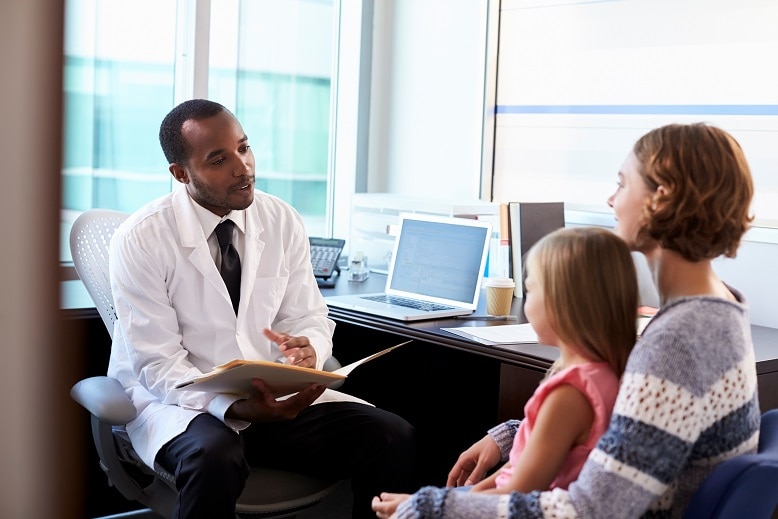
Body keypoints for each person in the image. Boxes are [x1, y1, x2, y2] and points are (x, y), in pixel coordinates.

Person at [372, 122, 760, 518]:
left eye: (623, 184)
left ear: (660, 198)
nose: (612, 199)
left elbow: (590, 509)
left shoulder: (680, 341)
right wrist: (511, 436)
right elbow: (624, 428)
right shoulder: (718, 309)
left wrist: (429, 507)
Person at [107, 98, 415, 519]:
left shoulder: (281, 219)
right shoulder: (141, 238)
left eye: (244, 148)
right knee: (213, 457)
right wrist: (232, 407)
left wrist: (309, 348)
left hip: (273, 399)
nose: (243, 167)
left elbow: (308, 314)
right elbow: (157, 364)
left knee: (391, 435)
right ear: (181, 174)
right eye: (219, 159)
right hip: (181, 405)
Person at [469, 226, 638, 496]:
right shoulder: (606, 373)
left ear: (564, 303)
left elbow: (519, 492)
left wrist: (439, 505)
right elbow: (519, 467)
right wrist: (470, 494)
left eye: (529, 290)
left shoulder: (569, 395)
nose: (525, 302)